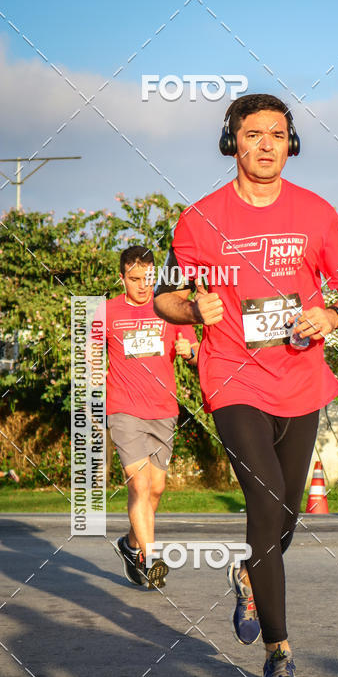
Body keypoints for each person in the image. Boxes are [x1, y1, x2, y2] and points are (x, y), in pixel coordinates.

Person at [154, 93, 338, 677]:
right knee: (266, 501)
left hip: (301, 380)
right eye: (253, 134)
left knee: (285, 517)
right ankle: (279, 652)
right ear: (233, 143)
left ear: (290, 143)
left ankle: (248, 573)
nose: (267, 144)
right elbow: (164, 298)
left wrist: (333, 315)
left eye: (278, 133)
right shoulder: (200, 217)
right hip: (232, 376)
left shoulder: (317, 213)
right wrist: (193, 306)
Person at [103, 245, 199, 588]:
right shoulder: (107, 312)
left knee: (155, 489)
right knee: (139, 484)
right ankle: (150, 559)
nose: (143, 286)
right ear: (121, 278)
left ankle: (130, 545)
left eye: (148, 278)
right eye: (134, 279)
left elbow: (192, 351)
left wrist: (191, 353)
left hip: (163, 409)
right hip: (124, 409)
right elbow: (89, 357)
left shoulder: (168, 308)